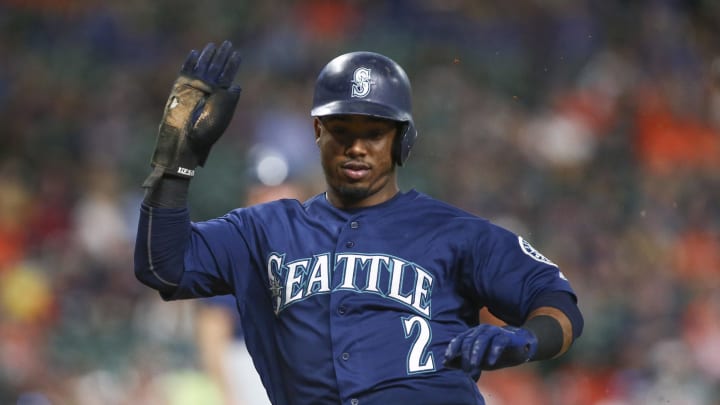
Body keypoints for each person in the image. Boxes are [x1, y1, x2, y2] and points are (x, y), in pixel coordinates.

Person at [134, 40, 584, 405]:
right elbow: (163, 267)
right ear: (317, 133)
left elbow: (557, 304)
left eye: (373, 133)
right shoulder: (262, 231)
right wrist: (175, 165)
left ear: (402, 140)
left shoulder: (454, 231)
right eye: (341, 130)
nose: (356, 147)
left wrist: (525, 340)